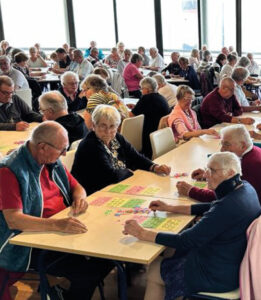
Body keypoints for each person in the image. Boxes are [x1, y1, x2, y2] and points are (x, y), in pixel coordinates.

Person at [122, 152, 261, 300]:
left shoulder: (228, 206)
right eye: (207, 169)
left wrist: (142, 233)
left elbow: (186, 240)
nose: (206, 175)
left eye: (212, 171)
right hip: (232, 263)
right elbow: (212, 206)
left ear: (230, 173)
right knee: (171, 252)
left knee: (155, 269)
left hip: (217, 277)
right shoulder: (245, 188)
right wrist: (171, 207)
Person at [0, 121, 115, 300]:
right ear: (42, 147)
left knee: (109, 255)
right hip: (31, 243)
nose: (64, 154)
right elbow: (14, 220)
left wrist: (79, 199)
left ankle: (62, 292)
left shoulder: (50, 160)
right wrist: (58, 224)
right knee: (88, 272)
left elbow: (78, 187)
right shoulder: (9, 171)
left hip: (59, 231)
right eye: (61, 149)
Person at [72, 105, 171, 195]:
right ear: (94, 126)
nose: (108, 131)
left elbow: (135, 157)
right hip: (93, 193)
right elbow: (110, 175)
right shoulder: (90, 145)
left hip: (115, 188)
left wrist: (154, 167)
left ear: (117, 127)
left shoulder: (117, 138)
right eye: (103, 126)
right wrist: (128, 171)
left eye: (112, 126)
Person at [177, 125, 261, 207]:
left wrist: (191, 191)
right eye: (222, 143)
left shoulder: (251, 164)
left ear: (243, 145)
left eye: (226, 144)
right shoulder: (253, 151)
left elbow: (224, 195)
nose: (222, 149)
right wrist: (209, 174)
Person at [127, 77, 170, 158]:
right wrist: (136, 107)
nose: (141, 91)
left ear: (147, 89)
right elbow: (148, 109)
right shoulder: (161, 97)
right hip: (159, 134)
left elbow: (131, 115)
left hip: (148, 136)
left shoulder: (146, 98)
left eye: (142, 88)